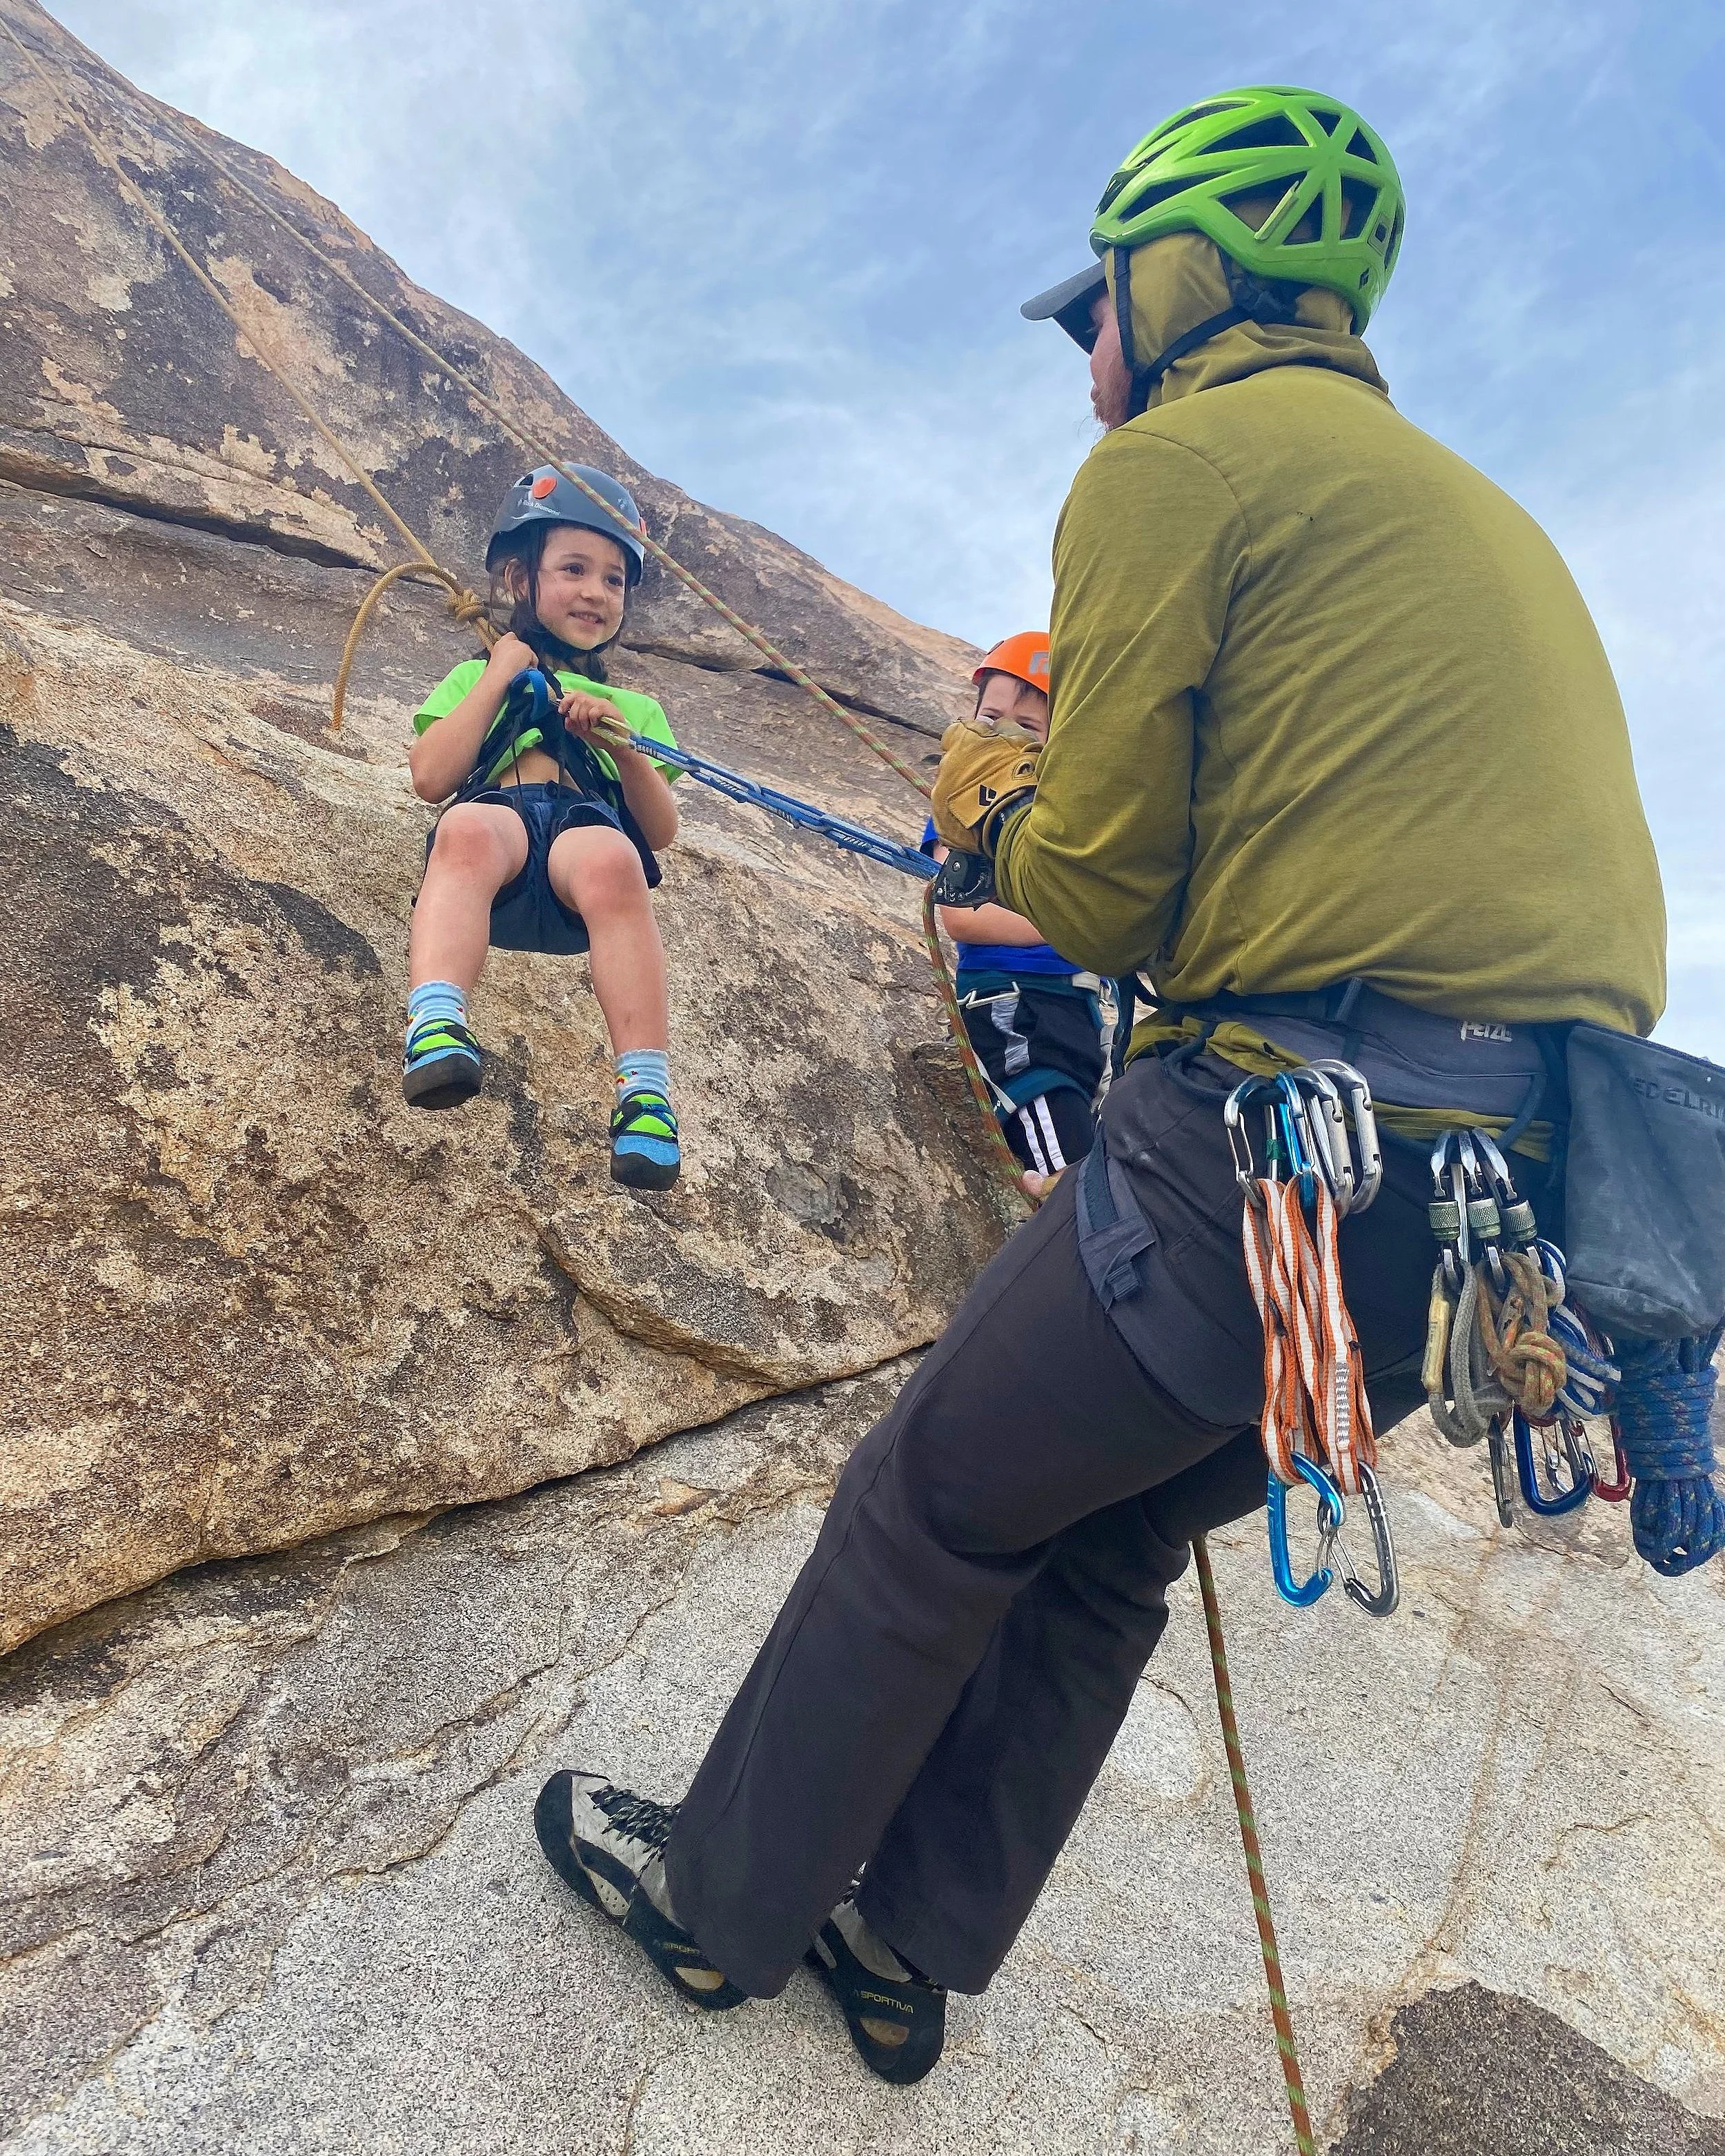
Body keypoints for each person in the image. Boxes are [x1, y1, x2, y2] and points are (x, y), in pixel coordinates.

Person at [529, 86, 1665, 2082]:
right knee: (1110, 1535)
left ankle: (722, 1912)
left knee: (931, 1499)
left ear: (1172, 275)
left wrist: (984, 788)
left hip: (1264, 1152)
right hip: (1497, 1220)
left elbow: (1100, 879)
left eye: (1094, 313)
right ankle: (907, 1950)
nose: (1087, 360)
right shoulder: (1485, 519)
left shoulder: (1176, 468)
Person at [404, 464, 685, 1190]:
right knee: (461, 829)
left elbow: (659, 831)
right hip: (499, 840)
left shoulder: (636, 707)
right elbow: (432, 776)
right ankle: (436, 1023)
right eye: (574, 568)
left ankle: (644, 1092)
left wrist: (620, 744)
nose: (596, 590)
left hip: (575, 856)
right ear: (518, 578)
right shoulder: (477, 674)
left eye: (614, 579)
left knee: (614, 862)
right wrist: (498, 674)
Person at [923, 633, 1119, 1188]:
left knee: (1084, 1138)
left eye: (1028, 726)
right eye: (990, 715)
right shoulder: (961, 802)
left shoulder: (1072, 820)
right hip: (1013, 1007)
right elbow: (962, 914)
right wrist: (1077, 929)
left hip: (1077, 1012)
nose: (1001, 732)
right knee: (1065, 1157)